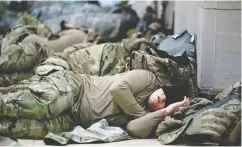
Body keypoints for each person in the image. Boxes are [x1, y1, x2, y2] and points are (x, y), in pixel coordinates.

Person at [0, 69, 190, 139]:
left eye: (165, 103)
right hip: (76, 89)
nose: (161, 100)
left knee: (32, 128)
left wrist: (164, 112)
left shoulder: (152, 113)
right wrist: (143, 114)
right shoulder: (147, 79)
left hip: (74, 119)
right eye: (164, 95)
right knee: (40, 107)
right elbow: (118, 89)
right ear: (161, 88)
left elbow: (134, 129)